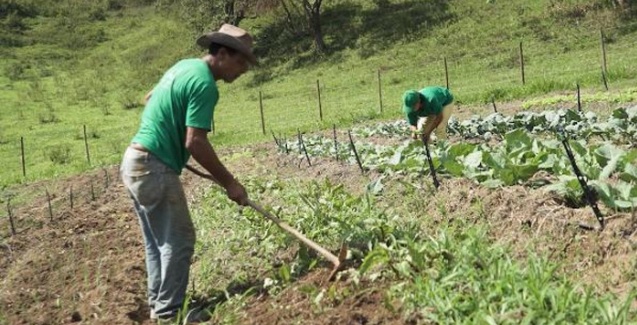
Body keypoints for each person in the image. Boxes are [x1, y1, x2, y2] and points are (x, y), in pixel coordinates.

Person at [119, 23, 256, 324]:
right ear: (221, 53)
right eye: (241, 61)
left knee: (158, 241)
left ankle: (160, 306)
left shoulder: (185, 66)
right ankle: (169, 313)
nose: (244, 69)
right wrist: (230, 183)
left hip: (135, 161)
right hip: (152, 166)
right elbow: (195, 141)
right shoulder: (206, 85)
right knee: (179, 238)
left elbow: (151, 96)